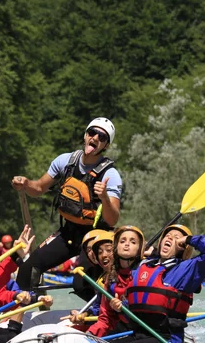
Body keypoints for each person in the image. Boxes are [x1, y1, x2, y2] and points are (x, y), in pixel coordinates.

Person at [11, 117, 123, 299]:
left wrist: (104, 198)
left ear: (106, 145)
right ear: (85, 135)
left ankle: (102, 317)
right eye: (91, 133)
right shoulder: (65, 161)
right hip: (68, 233)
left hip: (94, 236)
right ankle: (32, 308)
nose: (94, 138)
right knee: (27, 271)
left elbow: (112, 219)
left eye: (101, 136)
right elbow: (38, 188)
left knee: (80, 284)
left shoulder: (110, 174)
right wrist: (25, 183)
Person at [113, 224, 205, 343]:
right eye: (167, 236)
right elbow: (141, 307)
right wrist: (121, 307)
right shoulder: (144, 267)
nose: (170, 238)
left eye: (176, 237)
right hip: (138, 334)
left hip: (165, 338)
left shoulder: (186, 270)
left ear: (183, 248)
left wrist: (188, 239)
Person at [87, 226, 144, 337]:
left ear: (140, 249)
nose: (127, 244)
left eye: (133, 242)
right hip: (130, 331)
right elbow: (105, 319)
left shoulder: (147, 272)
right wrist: (89, 335)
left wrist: (124, 307)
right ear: (116, 247)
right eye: (122, 241)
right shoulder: (111, 278)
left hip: (150, 332)